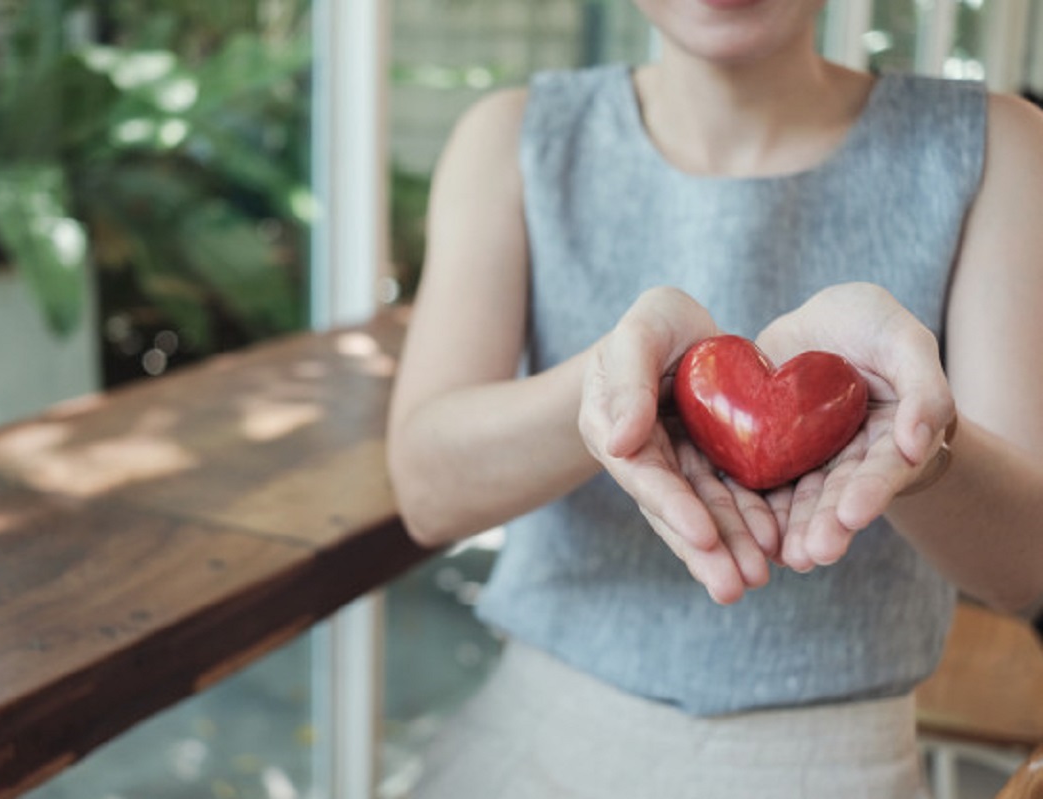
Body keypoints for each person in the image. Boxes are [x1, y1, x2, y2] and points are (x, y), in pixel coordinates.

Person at [386, 0, 1043, 796]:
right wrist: (619, 382)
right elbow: (426, 491)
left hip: (839, 762)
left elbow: (1026, 567)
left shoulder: (998, 148)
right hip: (531, 744)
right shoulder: (513, 137)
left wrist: (924, 445)